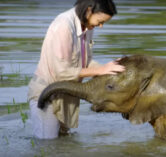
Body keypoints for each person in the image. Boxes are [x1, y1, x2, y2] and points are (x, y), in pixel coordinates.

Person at [27, 0, 125, 139]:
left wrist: (109, 68)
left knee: (62, 143)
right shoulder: (64, 25)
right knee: (47, 146)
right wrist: (101, 70)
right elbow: (62, 72)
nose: (101, 26)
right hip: (47, 95)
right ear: (89, 11)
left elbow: (86, 62)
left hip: (67, 94)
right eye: (100, 21)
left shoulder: (87, 26)